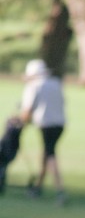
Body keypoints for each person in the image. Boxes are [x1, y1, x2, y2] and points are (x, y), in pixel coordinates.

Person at [20, 59, 66, 205]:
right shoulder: (56, 83)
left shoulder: (34, 86)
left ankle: (60, 189)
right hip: (60, 124)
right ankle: (38, 186)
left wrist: (21, 122)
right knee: (47, 153)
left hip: (46, 124)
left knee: (50, 154)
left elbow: (27, 111)